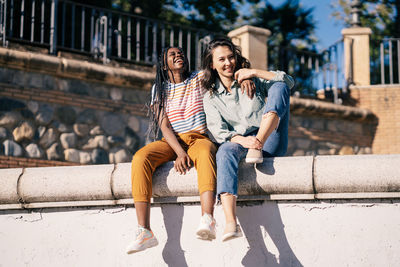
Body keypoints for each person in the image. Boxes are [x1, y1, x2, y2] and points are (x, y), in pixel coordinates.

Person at [126, 46, 253, 254]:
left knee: (204, 154)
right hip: (172, 142)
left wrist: (244, 76)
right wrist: (179, 152)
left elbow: (226, 69)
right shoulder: (159, 88)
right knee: (140, 158)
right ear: (163, 63)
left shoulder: (200, 78)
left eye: (181, 53)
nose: (179, 55)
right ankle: (144, 231)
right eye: (172, 54)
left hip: (199, 138)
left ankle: (207, 218)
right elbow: (164, 125)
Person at [202, 38, 294, 242]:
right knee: (225, 150)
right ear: (212, 64)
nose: (228, 63)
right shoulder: (210, 97)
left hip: (269, 139)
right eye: (222, 59)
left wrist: (254, 72)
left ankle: (259, 142)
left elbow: (288, 82)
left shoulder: (251, 80)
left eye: (231, 57)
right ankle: (230, 223)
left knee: (279, 87)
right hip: (241, 144)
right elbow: (219, 131)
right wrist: (245, 142)